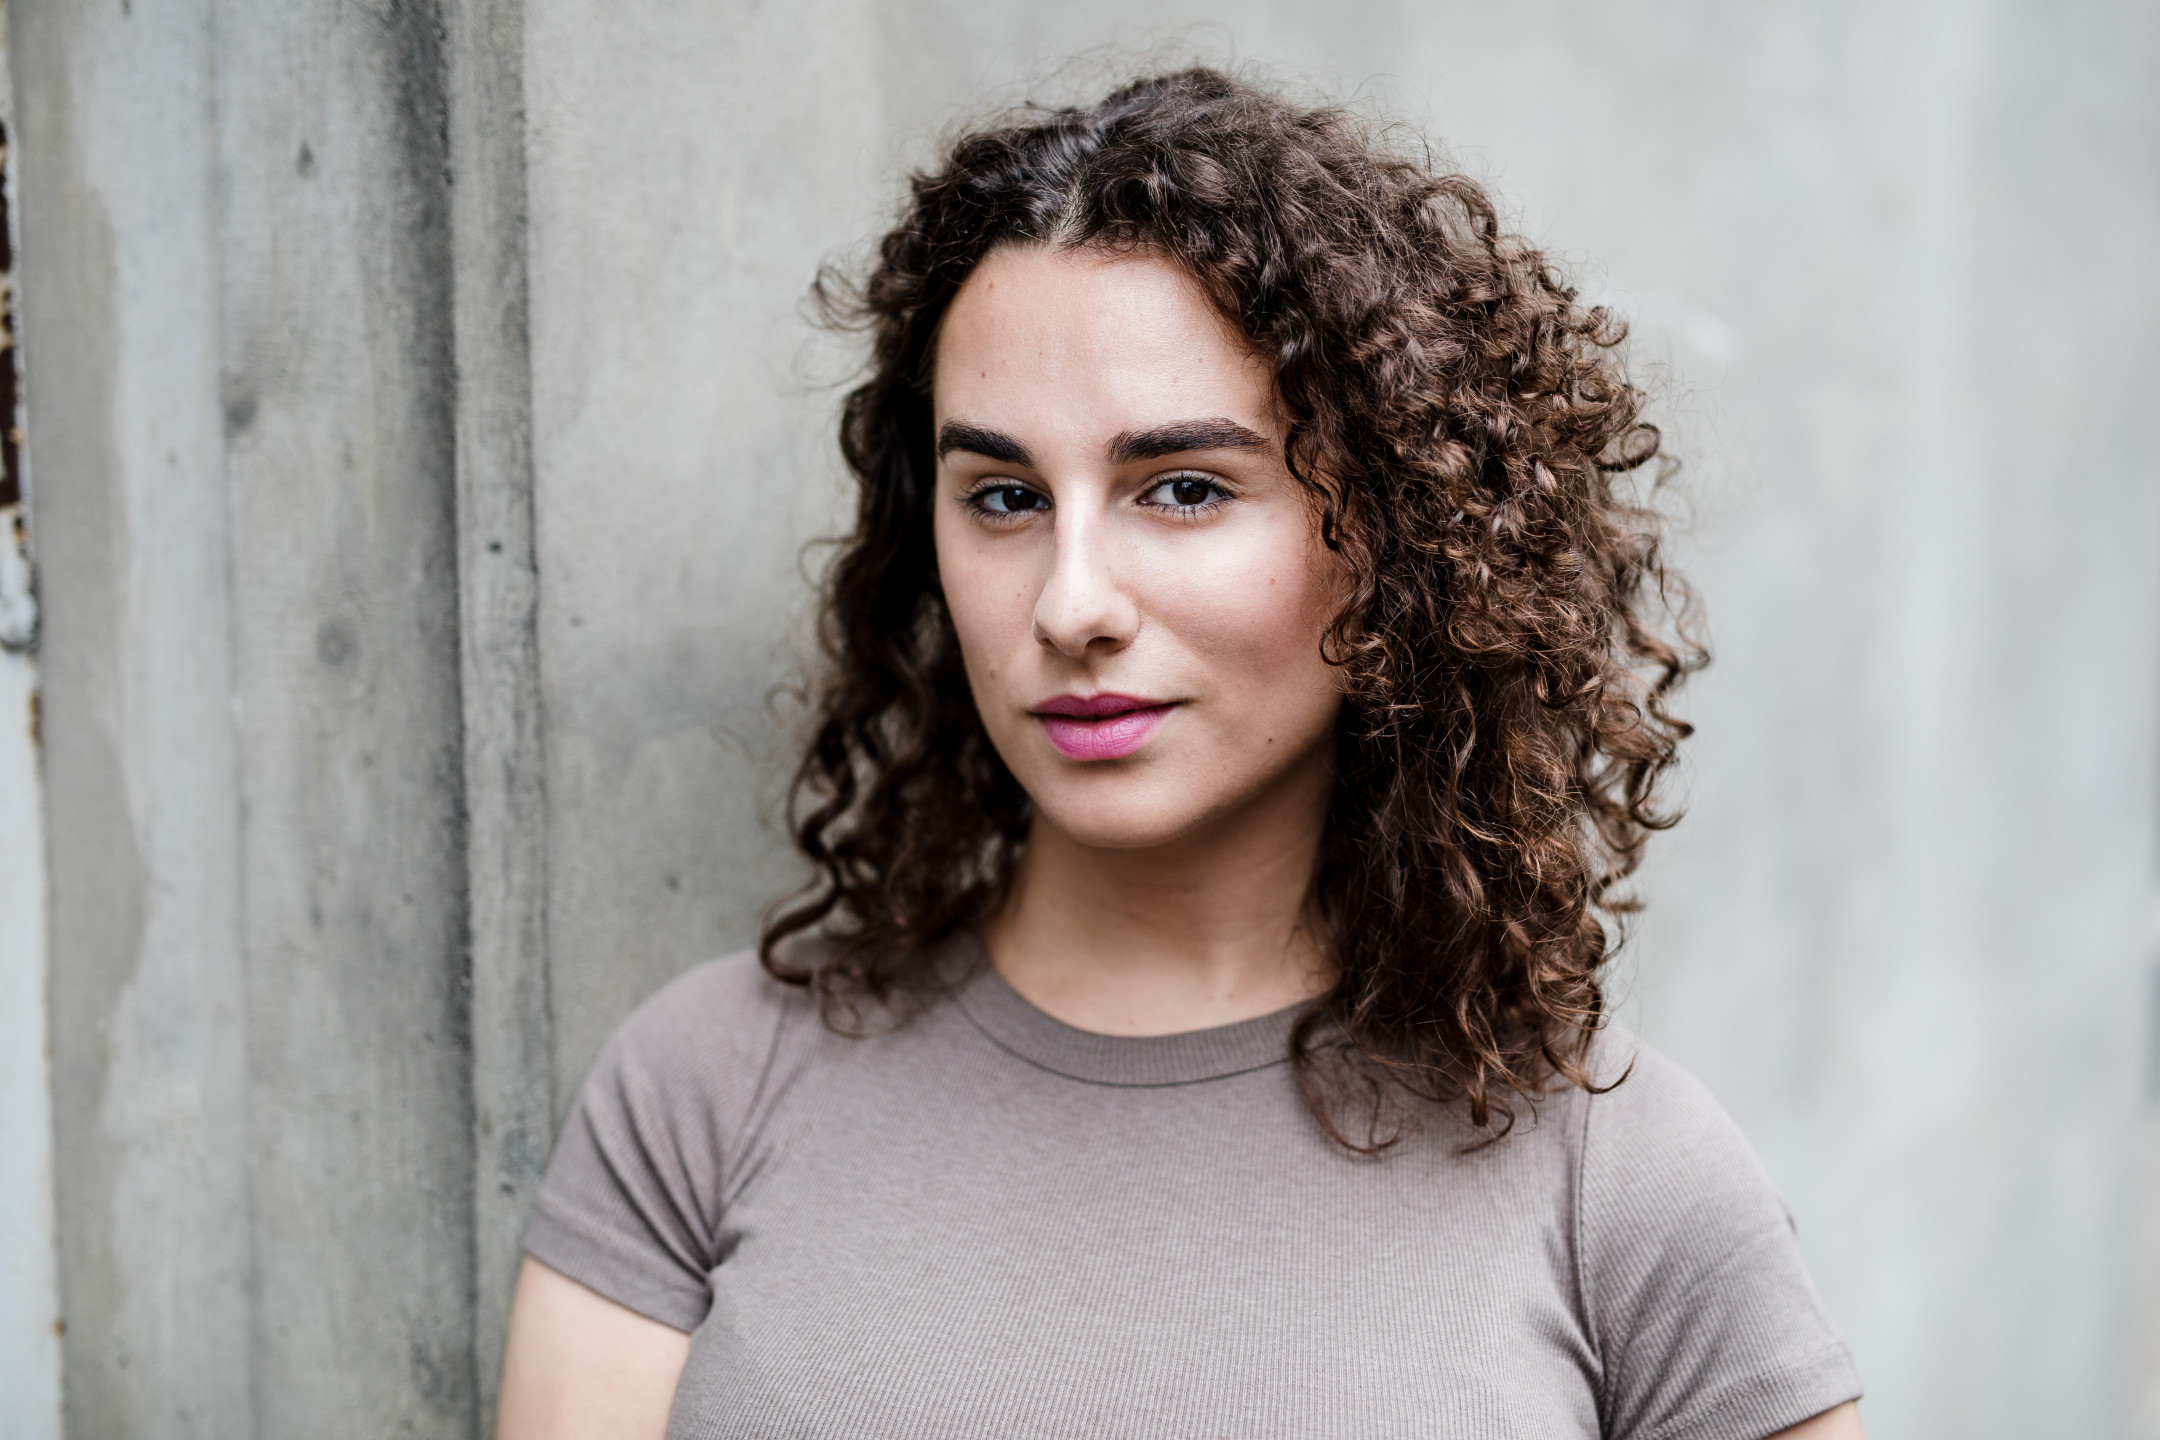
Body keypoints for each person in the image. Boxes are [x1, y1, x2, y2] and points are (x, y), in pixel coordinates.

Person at [494, 68, 1864, 1440]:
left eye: (1186, 489)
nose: (1071, 603)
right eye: (1006, 497)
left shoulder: (1621, 1186)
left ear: (1394, 537)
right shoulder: (707, 1090)